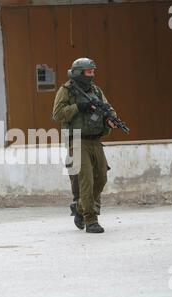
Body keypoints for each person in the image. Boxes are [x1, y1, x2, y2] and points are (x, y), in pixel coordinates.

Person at [53, 58, 117, 233]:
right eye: (89, 72)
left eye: (93, 71)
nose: (92, 75)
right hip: (78, 140)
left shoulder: (96, 90)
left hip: (96, 141)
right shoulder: (66, 90)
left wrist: (110, 118)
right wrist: (78, 107)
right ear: (80, 73)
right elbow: (57, 114)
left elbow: (107, 108)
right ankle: (90, 220)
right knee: (86, 181)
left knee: (102, 177)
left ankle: (80, 208)